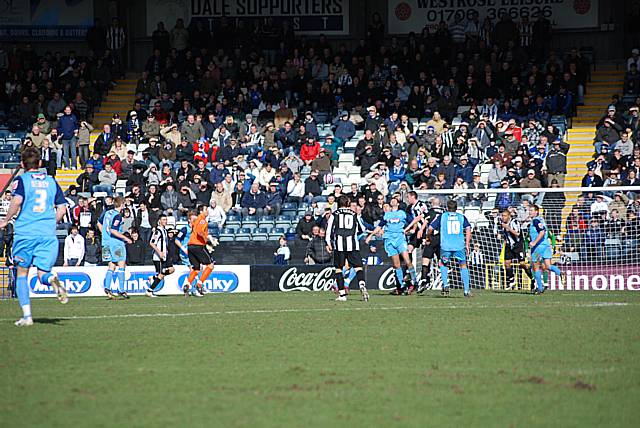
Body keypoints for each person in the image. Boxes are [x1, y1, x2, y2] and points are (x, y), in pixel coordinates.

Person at [0, 147, 69, 326]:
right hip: (47, 234)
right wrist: (48, 222)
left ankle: (27, 316)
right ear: (39, 163)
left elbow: (16, 201)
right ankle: (51, 279)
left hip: (26, 232)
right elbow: (62, 208)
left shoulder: (22, 180)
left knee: (22, 272)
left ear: (22, 164)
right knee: (42, 274)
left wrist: (5, 220)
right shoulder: (52, 181)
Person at [367, 197, 418, 295]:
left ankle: (415, 281)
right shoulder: (387, 215)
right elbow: (379, 226)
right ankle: (402, 285)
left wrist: (413, 229)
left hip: (400, 239)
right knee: (396, 264)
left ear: (398, 204)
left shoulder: (402, 213)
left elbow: (414, 220)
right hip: (389, 240)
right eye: (392, 200)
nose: (393, 201)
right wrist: (371, 235)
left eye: (395, 200)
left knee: (407, 260)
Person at [325, 195, 369, 302]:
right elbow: (362, 229)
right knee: (358, 267)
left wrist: (328, 242)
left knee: (339, 269)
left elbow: (329, 230)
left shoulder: (334, 214)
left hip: (339, 245)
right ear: (348, 203)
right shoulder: (354, 214)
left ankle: (342, 295)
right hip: (352, 245)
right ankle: (362, 285)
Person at [426, 199, 472, 297]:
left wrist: (428, 237)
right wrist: (467, 243)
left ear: (447, 208)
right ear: (456, 208)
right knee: (463, 265)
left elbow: (430, 228)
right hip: (459, 246)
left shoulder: (442, 216)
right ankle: (466, 291)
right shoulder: (461, 217)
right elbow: (468, 228)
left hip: (446, 246)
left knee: (443, 264)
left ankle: (446, 285)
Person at [97, 196, 132, 299]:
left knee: (111, 265)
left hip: (106, 242)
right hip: (116, 243)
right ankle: (121, 289)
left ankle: (107, 287)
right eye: (124, 203)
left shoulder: (107, 212)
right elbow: (113, 230)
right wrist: (126, 238)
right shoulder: (117, 216)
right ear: (121, 204)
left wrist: (104, 234)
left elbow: (99, 223)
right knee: (121, 265)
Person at [528, 204, 564, 294]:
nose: (530, 212)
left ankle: (539, 288)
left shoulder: (536, 220)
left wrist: (534, 242)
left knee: (535, 267)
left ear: (536, 211)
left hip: (538, 247)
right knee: (547, 266)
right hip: (546, 245)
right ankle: (560, 273)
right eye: (529, 210)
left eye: (531, 210)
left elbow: (542, 232)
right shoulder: (541, 220)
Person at [495, 209, 532, 290]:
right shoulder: (502, 224)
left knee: (522, 264)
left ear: (509, 216)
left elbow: (518, 233)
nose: (503, 217)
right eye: (502, 216)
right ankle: (511, 280)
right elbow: (505, 235)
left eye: (504, 216)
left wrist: (508, 228)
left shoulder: (514, 222)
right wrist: (501, 236)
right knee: (506, 263)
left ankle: (532, 279)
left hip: (518, 245)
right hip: (509, 245)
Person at [183, 205, 214, 297]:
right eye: (206, 210)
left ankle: (187, 284)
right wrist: (207, 239)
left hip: (190, 246)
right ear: (201, 211)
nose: (207, 211)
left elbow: (194, 228)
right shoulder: (202, 220)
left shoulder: (196, 220)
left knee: (196, 268)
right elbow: (200, 231)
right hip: (198, 245)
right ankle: (199, 285)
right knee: (210, 265)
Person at [146, 215, 175, 297]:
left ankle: (154, 277)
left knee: (171, 269)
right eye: (163, 219)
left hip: (164, 256)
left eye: (166, 219)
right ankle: (149, 290)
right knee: (161, 274)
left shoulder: (165, 230)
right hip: (158, 257)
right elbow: (152, 243)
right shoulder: (158, 231)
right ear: (159, 221)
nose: (165, 221)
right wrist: (159, 252)